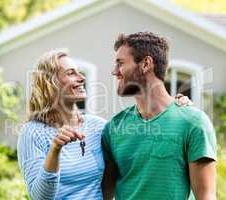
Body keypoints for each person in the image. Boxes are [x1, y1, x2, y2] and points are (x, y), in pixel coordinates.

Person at [17, 49, 192, 200]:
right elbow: (40, 197)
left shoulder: (99, 127)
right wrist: (55, 149)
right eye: (71, 73)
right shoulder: (32, 132)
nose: (81, 78)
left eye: (79, 72)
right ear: (50, 84)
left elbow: (143, 137)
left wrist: (172, 106)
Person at [102, 32, 217, 200]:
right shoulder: (114, 127)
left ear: (146, 64)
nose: (114, 71)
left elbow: (206, 196)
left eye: (120, 63)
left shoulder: (193, 123)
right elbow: (105, 194)